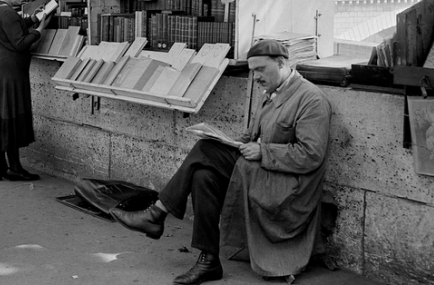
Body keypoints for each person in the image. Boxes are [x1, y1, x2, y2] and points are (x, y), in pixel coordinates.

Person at [109, 39, 333, 285]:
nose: (256, 77)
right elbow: (251, 136)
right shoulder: (270, 92)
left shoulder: (311, 99)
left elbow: (311, 156)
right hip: (261, 172)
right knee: (202, 176)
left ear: (281, 63)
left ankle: (156, 214)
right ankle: (209, 261)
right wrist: (229, 141)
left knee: (205, 150)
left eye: (260, 69)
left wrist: (263, 151)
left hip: (285, 185)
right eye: (252, 71)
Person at [0, 0, 51, 182]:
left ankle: (0, 166)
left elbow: (13, 27)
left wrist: (32, 19)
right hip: (11, 73)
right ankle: (14, 168)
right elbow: (20, 43)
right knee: (11, 117)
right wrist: (40, 29)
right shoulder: (7, 13)